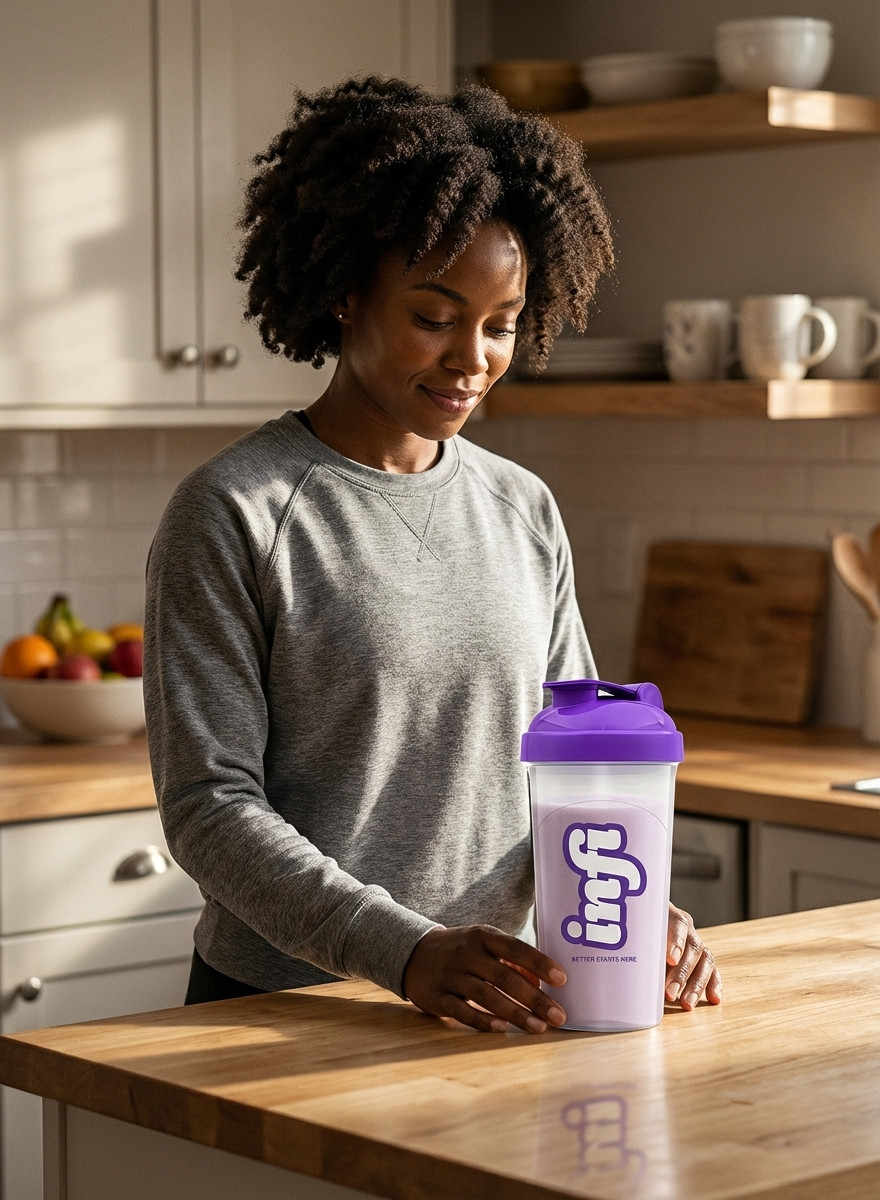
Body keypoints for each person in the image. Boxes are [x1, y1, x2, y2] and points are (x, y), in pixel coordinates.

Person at [144, 77, 720, 1034]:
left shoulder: (520, 507)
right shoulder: (235, 511)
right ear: (343, 292)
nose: (474, 357)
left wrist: (629, 897)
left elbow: (575, 767)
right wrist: (403, 951)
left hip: (499, 1002)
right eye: (434, 314)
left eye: (501, 324)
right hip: (289, 1014)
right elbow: (209, 808)